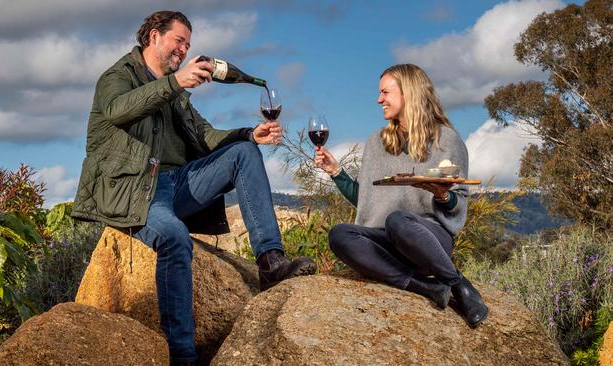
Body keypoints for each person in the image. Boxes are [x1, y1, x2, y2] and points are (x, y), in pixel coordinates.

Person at [71, 10, 316, 365]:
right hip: (135, 191)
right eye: (179, 41)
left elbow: (205, 135)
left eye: (188, 45)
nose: (184, 50)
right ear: (154, 36)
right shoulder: (117, 76)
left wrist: (249, 134)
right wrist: (175, 83)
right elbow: (116, 111)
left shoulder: (177, 91)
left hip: (178, 184)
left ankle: (271, 263)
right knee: (173, 236)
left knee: (243, 153)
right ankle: (183, 355)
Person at [314, 64, 488, 327]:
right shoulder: (376, 142)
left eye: (385, 92)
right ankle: (425, 288)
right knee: (340, 234)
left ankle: (458, 285)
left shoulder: (447, 140)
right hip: (388, 243)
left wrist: (443, 196)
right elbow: (367, 201)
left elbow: (458, 202)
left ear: (409, 93)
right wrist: (336, 171)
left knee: (398, 221)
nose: (379, 99)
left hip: (429, 241)